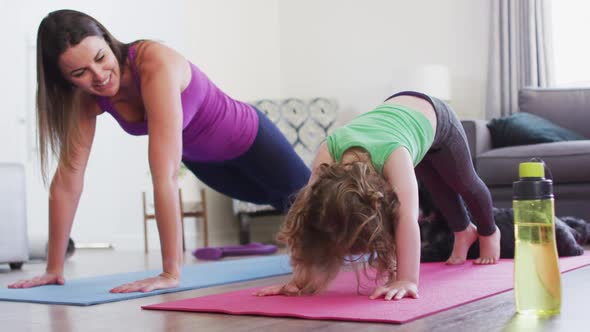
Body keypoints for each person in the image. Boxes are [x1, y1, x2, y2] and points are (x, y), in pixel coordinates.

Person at [8, 9, 310, 293]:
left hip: (252, 139)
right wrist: (53, 268)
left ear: (108, 39)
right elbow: (67, 181)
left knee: (319, 208)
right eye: (80, 73)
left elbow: (163, 175)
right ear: (65, 79)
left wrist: (170, 272)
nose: (98, 75)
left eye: (101, 58)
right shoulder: (86, 100)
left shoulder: (154, 63)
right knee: (285, 205)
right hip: (206, 163)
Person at [255, 91, 501, 300]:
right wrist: (299, 280)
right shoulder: (328, 151)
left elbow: (407, 219)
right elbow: (305, 221)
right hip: (398, 117)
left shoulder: (395, 155)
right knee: (435, 184)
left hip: (435, 115)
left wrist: (406, 279)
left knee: (464, 182)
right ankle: (463, 232)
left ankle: (489, 232)